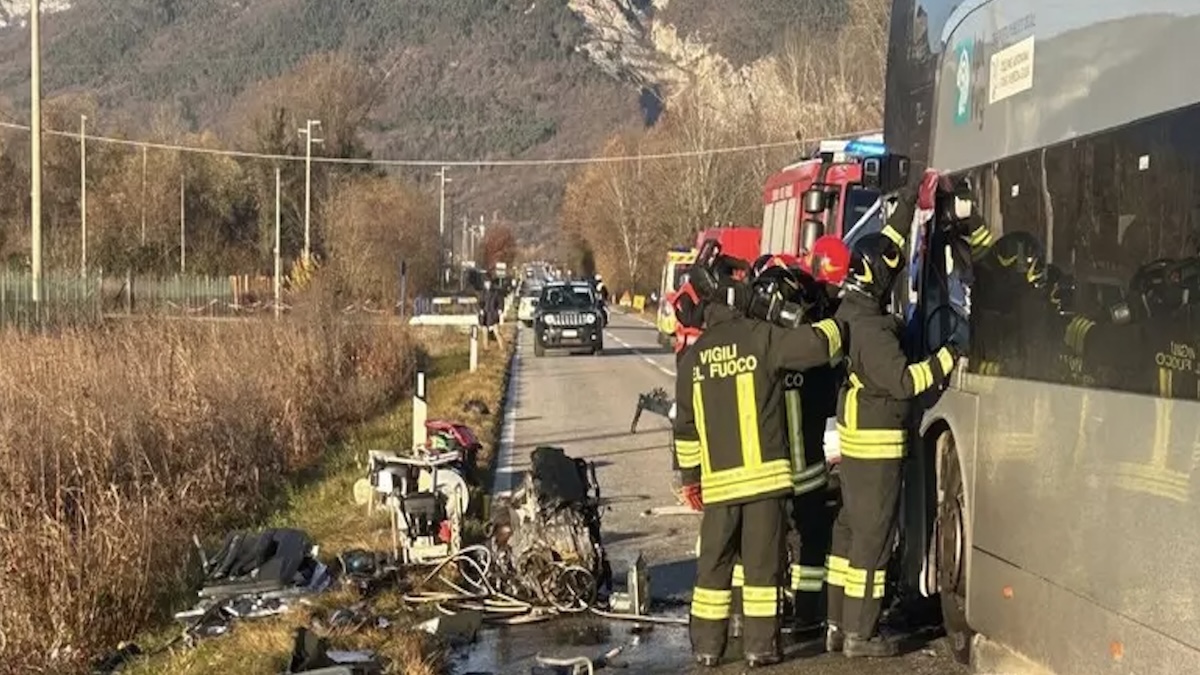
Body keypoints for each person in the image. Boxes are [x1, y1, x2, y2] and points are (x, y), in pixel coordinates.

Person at [674, 265, 846, 668]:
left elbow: (684, 427)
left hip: (718, 489)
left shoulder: (694, 358)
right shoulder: (762, 338)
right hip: (765, 485)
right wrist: (842, 319)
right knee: (761, 570)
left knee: (713, 570)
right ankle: (760, 648)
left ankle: (706, 647)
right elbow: (819, 346)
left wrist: (690, 480)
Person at [825, 190, 962, 658]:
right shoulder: (875, 332)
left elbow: (884, 247)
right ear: (879, 279)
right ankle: (860, 635)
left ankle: (837, 622)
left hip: (857, 444)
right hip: (877, 448)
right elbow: (905, 382)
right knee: (873, 540)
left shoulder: (850, 311)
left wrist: (909, 203)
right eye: (891, 272)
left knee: (849, 530)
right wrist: (946, 357)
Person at [478, 278, 505, 351]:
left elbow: (500, 302)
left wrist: (500, 310)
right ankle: (485, 348)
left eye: (488, 282)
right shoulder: (482, 293)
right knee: (484, 333)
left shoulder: (495, 292)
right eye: (486, 283)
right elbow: (479, 302)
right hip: (484, 315)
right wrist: (480, 309)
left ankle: (502, 348)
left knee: (496, 332)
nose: (487, 284)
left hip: (493, 314)